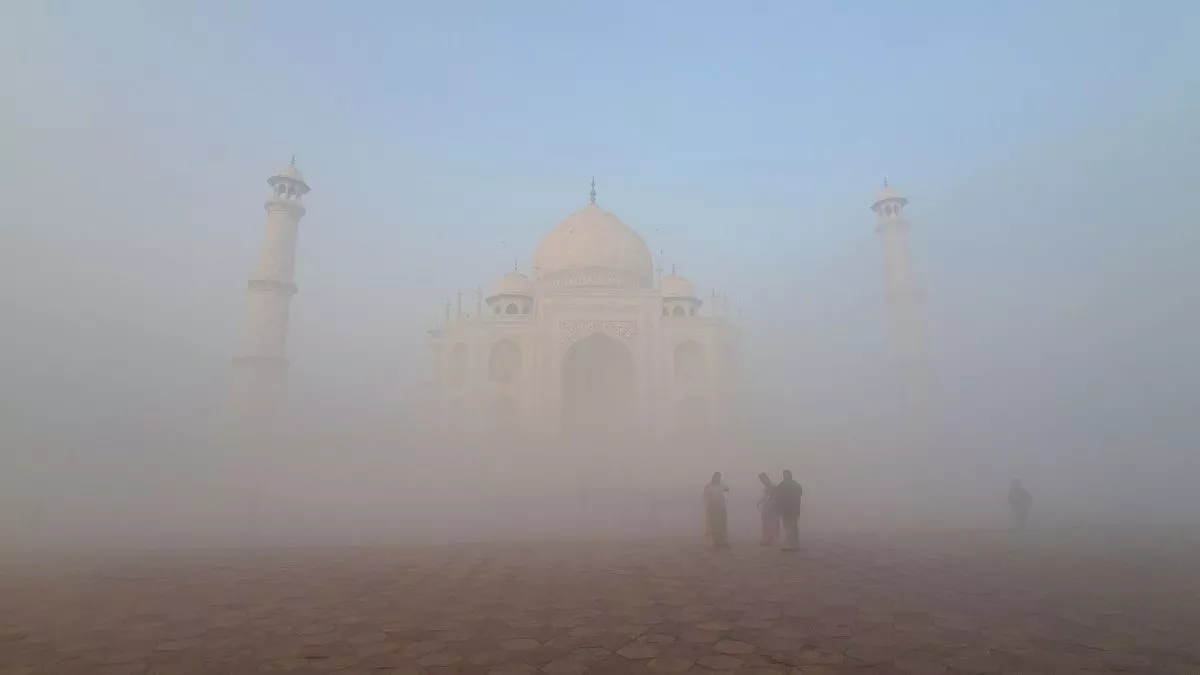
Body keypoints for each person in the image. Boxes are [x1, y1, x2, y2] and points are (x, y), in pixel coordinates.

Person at [772, 470, 803, 551]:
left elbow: (798, 495)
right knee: (789, 527)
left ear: (789, 475)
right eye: (783, 475)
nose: (784, 476)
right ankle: (792, 544)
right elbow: (777, 493)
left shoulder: (791, 485)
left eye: (785, 475)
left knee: (791, 527)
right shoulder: (791, 484)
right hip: (788, 510)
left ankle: (793, 545)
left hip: (791, 509)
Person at [703, 472, 731, 550]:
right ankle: (715, 542)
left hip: (720, 508)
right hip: (712, 508)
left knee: (721, 524)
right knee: (713, 525)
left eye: (719, 477)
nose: (718, 479)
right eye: (717, 477)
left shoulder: (722, 486)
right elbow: (705, 496)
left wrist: (723, 499)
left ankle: (722, 541)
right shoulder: (708, 486)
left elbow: (726, 494)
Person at [757, 473, 780, 546]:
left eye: (763, 480)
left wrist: (769, 505)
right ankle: (767, 539)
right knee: (766, 524)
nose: (762, 482)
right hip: (768, 508)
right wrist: (759, 502)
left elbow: (773, 498)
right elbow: (766, 496)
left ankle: (770, 539)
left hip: (771, 508)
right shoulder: (768, 488)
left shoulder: (772, 487)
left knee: (770, 524)